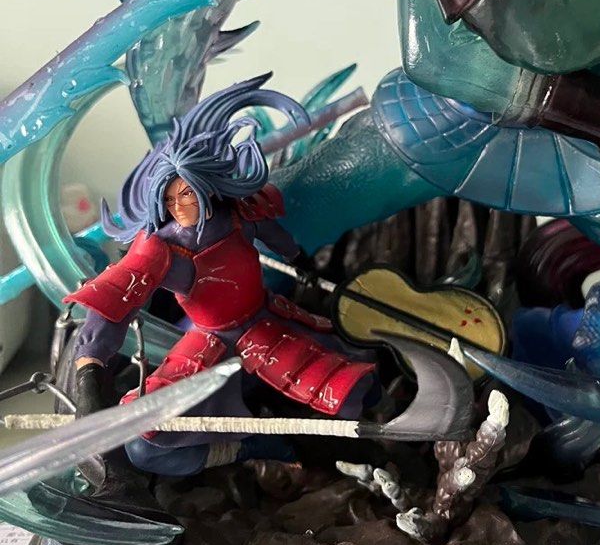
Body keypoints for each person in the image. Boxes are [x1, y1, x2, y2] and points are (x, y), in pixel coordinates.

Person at [65, 75, 376, 490]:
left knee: (351, 388)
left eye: (186, 195)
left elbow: (274, 234)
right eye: (170, 199)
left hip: (265, 320)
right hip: (208, 341)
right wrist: (90, 371)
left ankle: (362, 443)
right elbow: (116, 299)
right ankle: (253, 448)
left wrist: (300, 261)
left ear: (206, 189)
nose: (178, 206)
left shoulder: (239, 211)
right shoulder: (161, 249)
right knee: (147, 443)